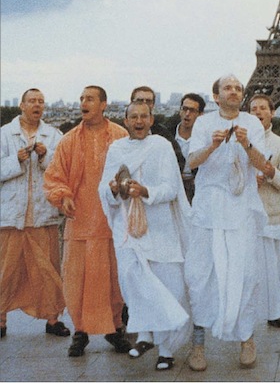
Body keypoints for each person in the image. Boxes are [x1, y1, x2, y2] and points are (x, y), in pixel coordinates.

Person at [99, 102, 191, 372]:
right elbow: (103, 188)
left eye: (144, 117)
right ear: (126, 121)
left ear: (151, 120)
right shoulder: (116, 149)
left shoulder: (161, 146)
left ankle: (165, 350)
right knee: (133, 280)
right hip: (127, 226)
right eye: (134, 117)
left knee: (166, 286)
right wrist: (113, 189)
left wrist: (145, 191)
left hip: (159, 226)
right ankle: (144, 334)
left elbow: (171, 188)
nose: (139, 121)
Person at [184, 75, 267, 372]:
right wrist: (212, 146)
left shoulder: (252, 123)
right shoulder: (204, 123)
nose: (234, 91)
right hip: (208, 211)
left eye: (238, 88)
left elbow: (264, 165)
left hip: (241, 210)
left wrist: (246, 144)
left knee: (245, 275)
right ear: (216, 96)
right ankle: (198, 344)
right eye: (228, 88)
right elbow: (191, 162)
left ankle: (247, 339)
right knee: (201, 276)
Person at [44, 85, 131, 357]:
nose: (84, 102)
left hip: (111, 222)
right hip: (79, 220)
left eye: (90, 98)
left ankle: (115, 329)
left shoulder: (120, 135)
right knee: (77, 281)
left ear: (103, 104)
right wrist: (63, 196)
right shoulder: (69, 140)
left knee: (113, 280)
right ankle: (80, 331)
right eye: (82, 98)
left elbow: (132, 172)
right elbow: (54, 176)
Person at [0, 88, 69, 339]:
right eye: (32, 101)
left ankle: (53, 319)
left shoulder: (54, 135)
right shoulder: (4, 134)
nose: (36, 105)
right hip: (11, 215)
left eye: (40, 101)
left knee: (48, 270)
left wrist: (44, 156)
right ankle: (1, 320)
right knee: (5, 271)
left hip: (42, 214)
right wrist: (15, 160)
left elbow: (63, 168)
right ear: (22, 105)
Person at [249, 94, 280, 326]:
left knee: (276, 267)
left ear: (272, 112)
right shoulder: (237, 142)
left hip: (271, 216)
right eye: (253, 108)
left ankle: (273, 309)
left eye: (262, 108)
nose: (258, 112)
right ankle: (261, 312)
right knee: (253, 270)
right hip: (247, 216)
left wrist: (271, 173)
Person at [130, 86, 185, 173]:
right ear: (131, 103)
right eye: (140, 101)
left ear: (153, 105)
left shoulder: (162, 132)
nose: (144, 104)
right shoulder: (121, 131)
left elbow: (179, 161)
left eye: (148, 101)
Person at [172, 93, 206, 202]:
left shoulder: (205, 139)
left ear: (200, 115)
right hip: (173, 185)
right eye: (184, 109)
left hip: (197, 187)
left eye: (192, 110)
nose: (187, 114)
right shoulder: (168, 135)